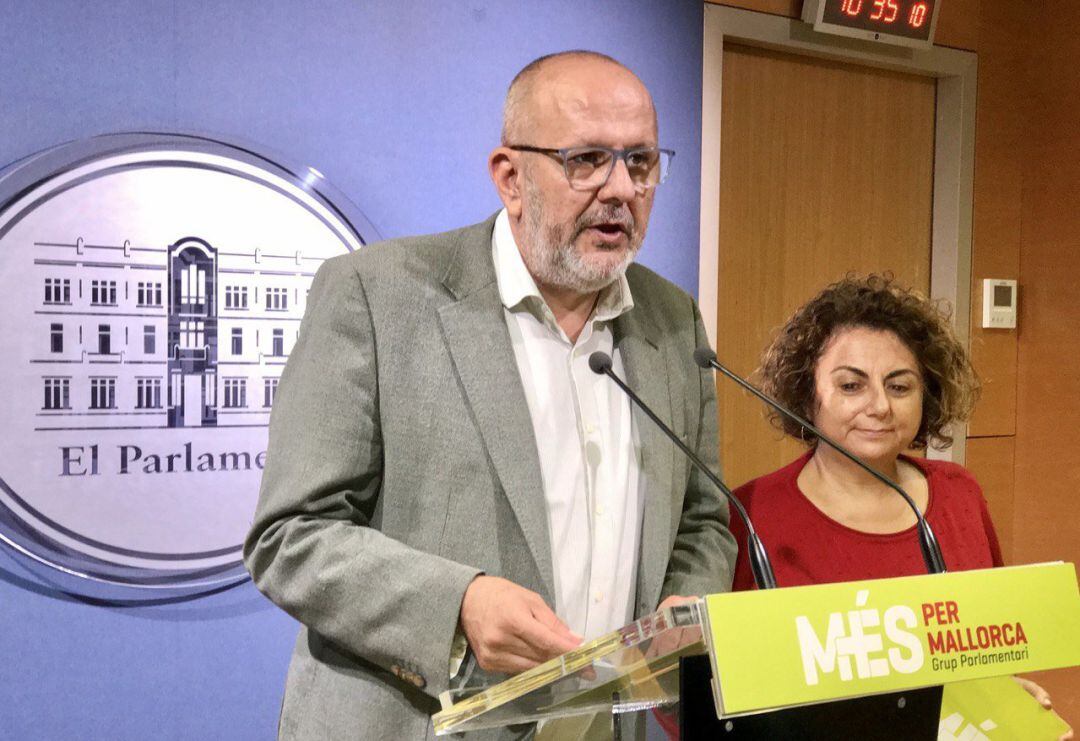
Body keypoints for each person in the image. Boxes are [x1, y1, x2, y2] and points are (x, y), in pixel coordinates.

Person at [244, 50, 735, 740]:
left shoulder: (672, 317)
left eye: (642, 162)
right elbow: (289, 535)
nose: (622, 188)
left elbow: (704, 518)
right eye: (587, 160)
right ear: (511, 176)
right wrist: (458, 604)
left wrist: (689, 605)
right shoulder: (377, 293)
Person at [728, 274, 1070, 737]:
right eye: (851, 386)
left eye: (900, 386)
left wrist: (1004, 698)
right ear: (808, 395)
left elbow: (980, 652)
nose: (880, 407)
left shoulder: (959, 493)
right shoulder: (749, 512)